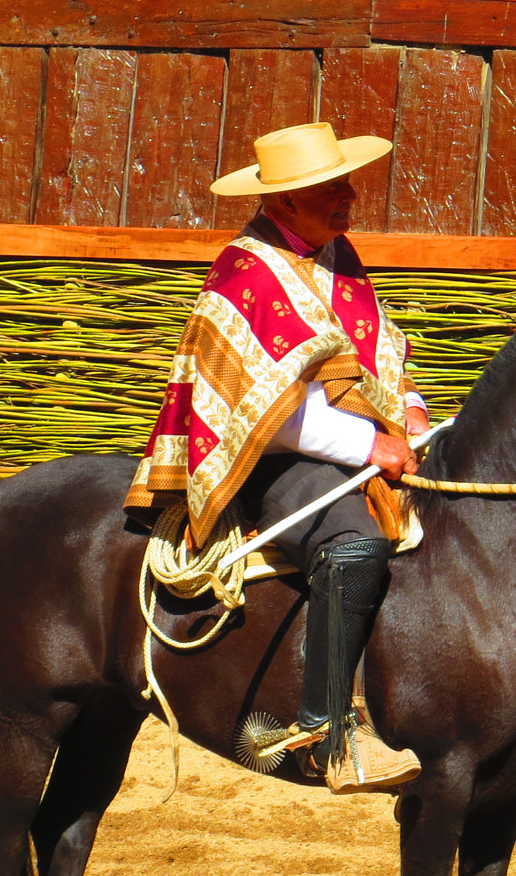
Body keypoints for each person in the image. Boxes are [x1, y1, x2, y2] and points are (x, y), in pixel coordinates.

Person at [125, 122, 430, 795]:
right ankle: (328, 735)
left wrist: (410, 411)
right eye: (331, 187)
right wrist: (369, 444)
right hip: (265, 460)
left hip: (354, 446)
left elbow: (381, 353)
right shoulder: (246, 272)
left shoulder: (337, 254)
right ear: (284, 203)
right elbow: (270, 414)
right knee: (353, 541)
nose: (349, 196)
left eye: (346, 182)